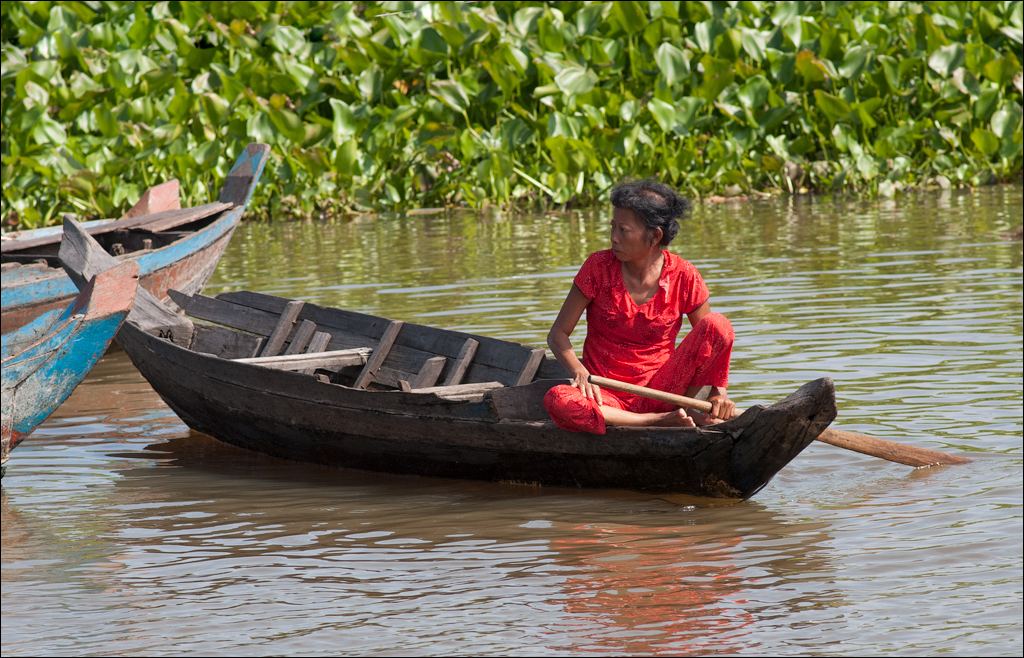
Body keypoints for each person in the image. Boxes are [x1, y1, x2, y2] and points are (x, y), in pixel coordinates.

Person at [543, 179, 737, 433]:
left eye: (623, 230)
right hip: (606, 398)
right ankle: (657, 421)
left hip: (665, 393)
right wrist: (579, 372)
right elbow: (557, 334)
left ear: (654, 236)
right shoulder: (597, 267)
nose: (613, 238)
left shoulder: (684, 275)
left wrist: (718, 395)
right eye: (613, 227)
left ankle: (675, 412)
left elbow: (713, 345)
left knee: (718, 325)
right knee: (558, 399)